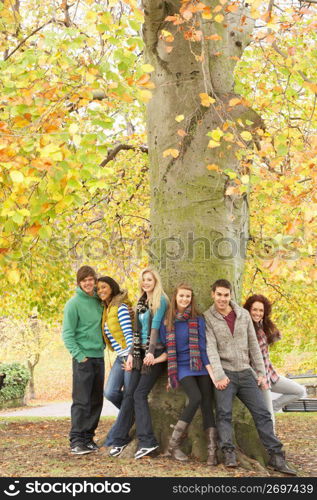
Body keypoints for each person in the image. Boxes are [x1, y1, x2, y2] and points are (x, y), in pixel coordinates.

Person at [204, 279, 297, 475]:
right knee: (224, 413)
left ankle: (276, 457)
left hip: (246, 373)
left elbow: (254, 346)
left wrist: (262, 374)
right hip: (225, 374)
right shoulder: (208, 318)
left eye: (226, 295)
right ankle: (228, 452)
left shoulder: (243, 315)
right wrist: (219, 375)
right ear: (213, 294)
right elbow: (210, 348)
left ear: (231, 296)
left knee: (262, 413)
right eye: (219, 294)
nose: (222, 298)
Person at [108, 267, 168, 459]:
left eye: (149, 280)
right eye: (143, 280)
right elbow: (136, 330)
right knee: (129, 395)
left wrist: (150, 353)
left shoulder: (161, 300)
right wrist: (133, 355)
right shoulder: (140, 302)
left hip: (155, 352)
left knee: (140, 394)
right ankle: (119, 439)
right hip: (139, 352)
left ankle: (147, 440)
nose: (146, 283)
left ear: (155, 282)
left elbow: (155, 327)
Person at [160, 283, 218, 465]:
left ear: (191, 299)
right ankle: (173, 445)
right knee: (195, 398)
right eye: (181, 296)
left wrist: (212, 372)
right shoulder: (166, 321)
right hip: (183, 366)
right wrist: (171, 374)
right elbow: (169, 350)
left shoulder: (197, 319)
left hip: (199, 364)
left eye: (188, 296)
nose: (185, 299)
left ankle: (211, 452)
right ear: (175, 297)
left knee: (208, 403)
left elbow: (202, 347)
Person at [243, 294, 306, 425]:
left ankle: (273, 405)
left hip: (272, 375)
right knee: (269, 418)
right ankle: (271, 445)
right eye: (254, 309)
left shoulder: (262, 326)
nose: (257, 313)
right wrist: (259, 377)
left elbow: (271, 340)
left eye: (261, 310)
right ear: (248, 309)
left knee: (299, 391)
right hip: (259, 379)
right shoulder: (244, 329)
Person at [62, 265, 104, 455]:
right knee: (81, 401)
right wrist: (81, 356)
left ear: (95, 281)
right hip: (83, 359)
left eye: (91, 279)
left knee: (96, 400)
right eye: (84, 280)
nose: (88, 283)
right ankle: (76, 440)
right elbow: (67, 335)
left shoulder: (99, 301)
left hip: (99, 357)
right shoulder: (73, 304)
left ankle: (88, 438)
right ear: (79, 283)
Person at [97, 276, 133, 409]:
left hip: (129, 355)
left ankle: (130, 419)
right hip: (120, 357)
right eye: (98, 288)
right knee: (110, 392)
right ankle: (132, 414)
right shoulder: (107, 310)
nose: (101, 290)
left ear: (112, 288)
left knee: (129, 394)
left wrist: (131, 356)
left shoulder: (120, 307)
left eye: (104, 287)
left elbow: (129, 333)